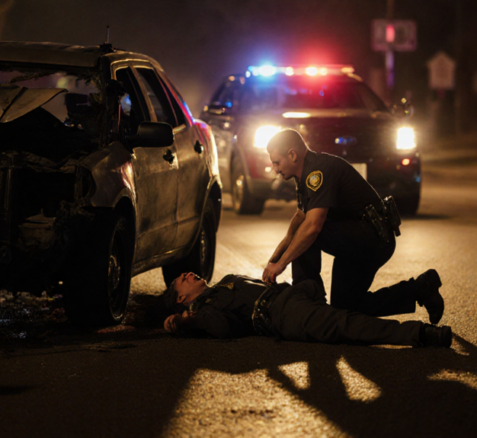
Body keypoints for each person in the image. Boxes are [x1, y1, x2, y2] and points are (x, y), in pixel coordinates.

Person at [261, 129, 444, 323]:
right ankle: (421, 288)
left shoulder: (318, 172)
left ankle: (309, 304)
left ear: (292, 155)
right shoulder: (304, 175)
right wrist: (273, 261)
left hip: (372, 238)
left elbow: (312, 227)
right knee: (346, 307)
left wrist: (281, 265)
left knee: (309, 233)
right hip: (355, 239)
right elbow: (299, 219)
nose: (275, 169)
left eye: (276, 162)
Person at [162, 272, 453, 348]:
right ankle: (422, 334)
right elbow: (223, 328)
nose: (188, 273)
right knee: (346, 324)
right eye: (181, 279)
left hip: (296, 292)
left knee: (348, 308)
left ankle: (418, 289)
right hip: (283, 313)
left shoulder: (223, 282)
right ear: (181, 298)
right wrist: (187, 322)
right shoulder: (205, 309)